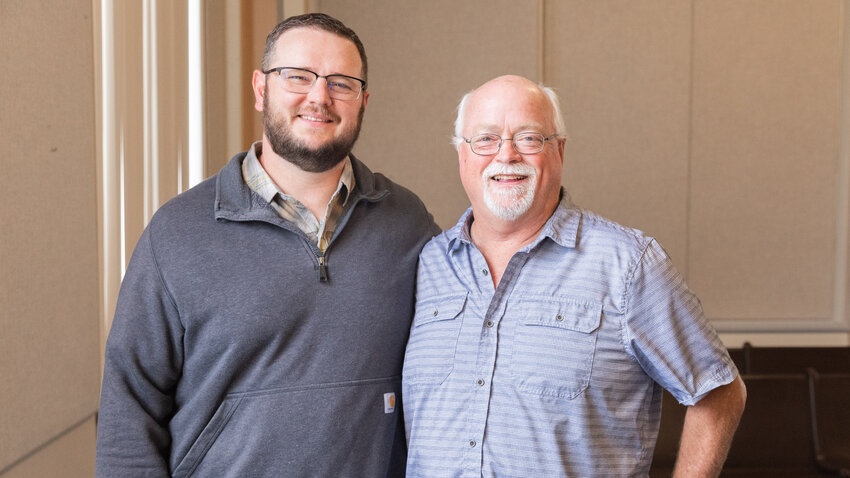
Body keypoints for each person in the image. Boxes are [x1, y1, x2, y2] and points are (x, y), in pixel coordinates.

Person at [96, 13, 438, 477]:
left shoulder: (407, 223)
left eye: (341, 83)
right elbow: (128, 414)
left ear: (362, 100)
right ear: (261, 88)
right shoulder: (177, 233)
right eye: (297, 76)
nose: (319, 96)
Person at [402, 75, 746, 477]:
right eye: (486, 139)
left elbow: (719, 392)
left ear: (559, 151)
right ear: (462, 155)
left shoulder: (628, 264)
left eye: (529, 138)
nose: (506, 154)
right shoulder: (427, 265)